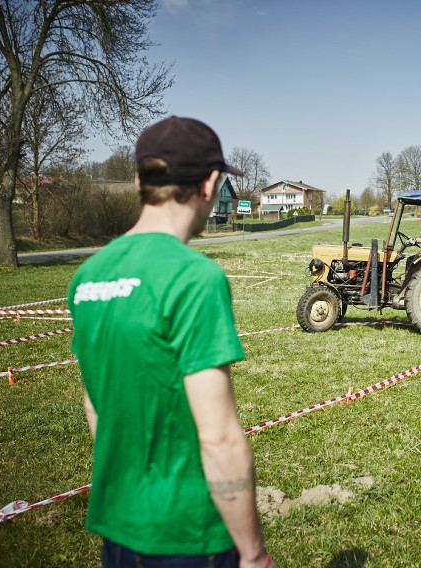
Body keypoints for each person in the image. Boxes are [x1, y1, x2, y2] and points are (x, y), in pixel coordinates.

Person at [68, 116, 277, 568]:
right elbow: (218, 436)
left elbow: (95, 406)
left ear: (140, 180)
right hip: (189, 535)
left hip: (119, 529)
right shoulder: (194, 278)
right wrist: (254, 554)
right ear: (210, 184)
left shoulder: (88, 277)